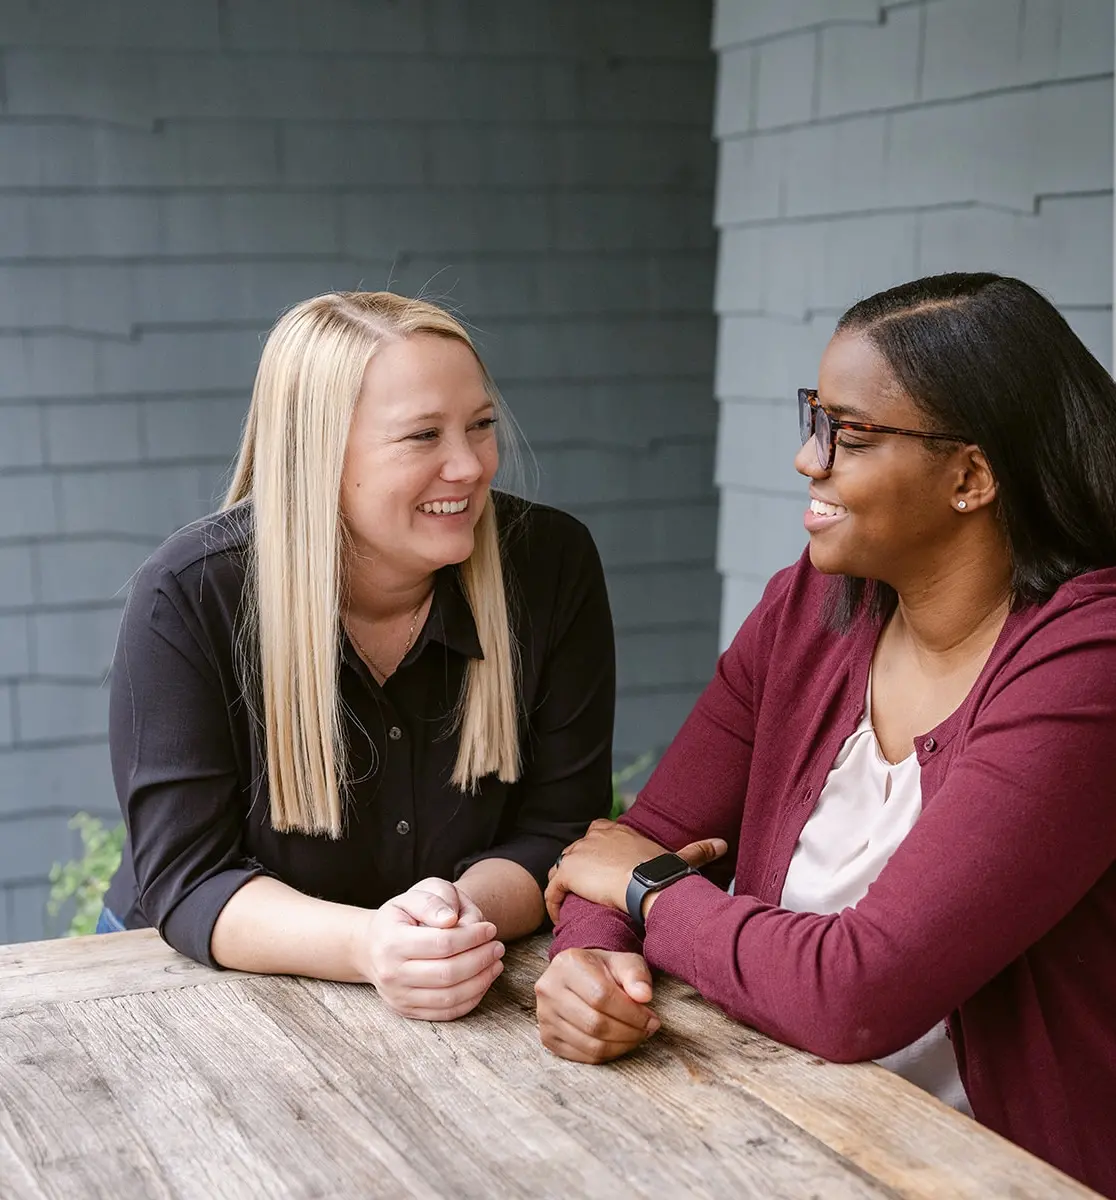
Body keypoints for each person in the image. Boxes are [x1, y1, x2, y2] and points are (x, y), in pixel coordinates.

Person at [537, 273, 1116, 1197]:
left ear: (971, 476)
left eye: (848, 435)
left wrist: (648, 894)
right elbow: (629, 840)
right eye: (816, 419)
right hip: (780, 1130)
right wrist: (589, 963)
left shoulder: (1088, 664)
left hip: (1000, 1172)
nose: (810, 460)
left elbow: (854, 993)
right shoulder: (811, 610)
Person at [101, 291, 615, 1024]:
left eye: (480, 426)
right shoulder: (189, 597)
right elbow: (189, 878)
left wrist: (451, 916)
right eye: (422, 436)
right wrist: (372, 944)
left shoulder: (551, 568)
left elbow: (560, 830)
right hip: (192, 989)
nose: (469, 466)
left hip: (458, 973)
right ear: (317, 454)